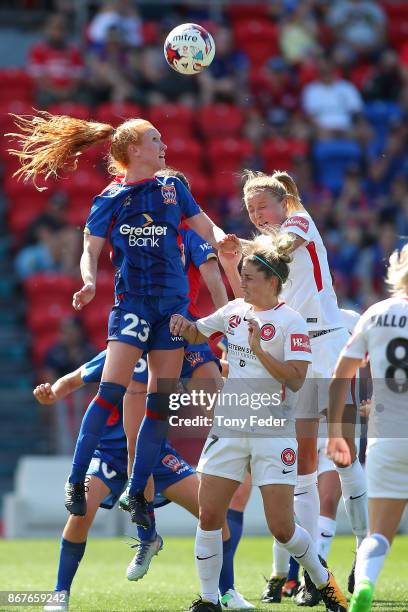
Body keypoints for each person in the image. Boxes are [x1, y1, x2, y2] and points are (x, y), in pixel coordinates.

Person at [8, 112, 227, 528]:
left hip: (173, 311)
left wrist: (228, 240)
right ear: (133, 150)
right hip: (132, 307)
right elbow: (90, 251)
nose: (165, 146)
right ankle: (75, 481)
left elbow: (204, 226)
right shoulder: (109, 197)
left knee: (158, 407)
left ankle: (139, 493)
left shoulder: (173, 187)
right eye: (156, 139)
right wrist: (89, 282)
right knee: (109, 392)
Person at [171, 233, 348, 612]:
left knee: (282, 528)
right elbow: (195, 331)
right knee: (209, 515)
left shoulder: (292, 322)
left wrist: (257, 351)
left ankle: (323, 582)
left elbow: (297, 378)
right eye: (241, 275)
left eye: (248, 276)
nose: (242, 282)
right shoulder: (233, 312)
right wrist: (177, 323)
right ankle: (207, 600)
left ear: (272, 281)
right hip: (229, 429)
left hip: (272, 433)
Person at [218, 170, 367, 605]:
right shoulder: (265, 253)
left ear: (282, 203)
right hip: (301, 353)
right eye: (251, 211)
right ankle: (310, 572)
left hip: (331, 347)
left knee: (341, 454)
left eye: (262, 206)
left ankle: (363, 549)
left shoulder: (300, 222)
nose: (257, 215)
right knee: (303, 463)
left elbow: (284, 247)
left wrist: (245, 247)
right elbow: (254, 299)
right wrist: (235, 259)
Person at [326, 243, 408, 612]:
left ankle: (365, 585)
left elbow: (340, 375)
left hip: (386, 435)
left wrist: (335, 433)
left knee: (378, 534)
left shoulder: (375, 313)